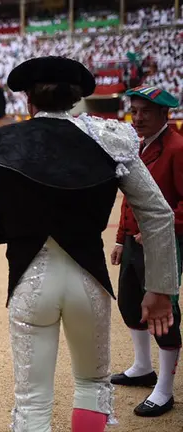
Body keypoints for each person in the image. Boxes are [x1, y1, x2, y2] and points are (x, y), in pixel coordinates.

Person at [0, 56, 179, 432]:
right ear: (77, 98)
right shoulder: (111, 139)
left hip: (31, 280)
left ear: (29, 100)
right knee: (92, 385)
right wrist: (160, 288)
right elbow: (158, 214)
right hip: (88, 281)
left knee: (32, 400)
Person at [110, 85, 183, 417]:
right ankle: (142, 366)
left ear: (165, 115)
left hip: (163, 243)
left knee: (163, 313)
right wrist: (122, 236)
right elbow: (131, 198)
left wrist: (157, 231)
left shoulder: (178, 148)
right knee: (128, 302)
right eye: (134, 111)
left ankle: (165, 389)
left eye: (146, 113)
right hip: (134, 242)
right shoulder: (141, 146)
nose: (137, 118)